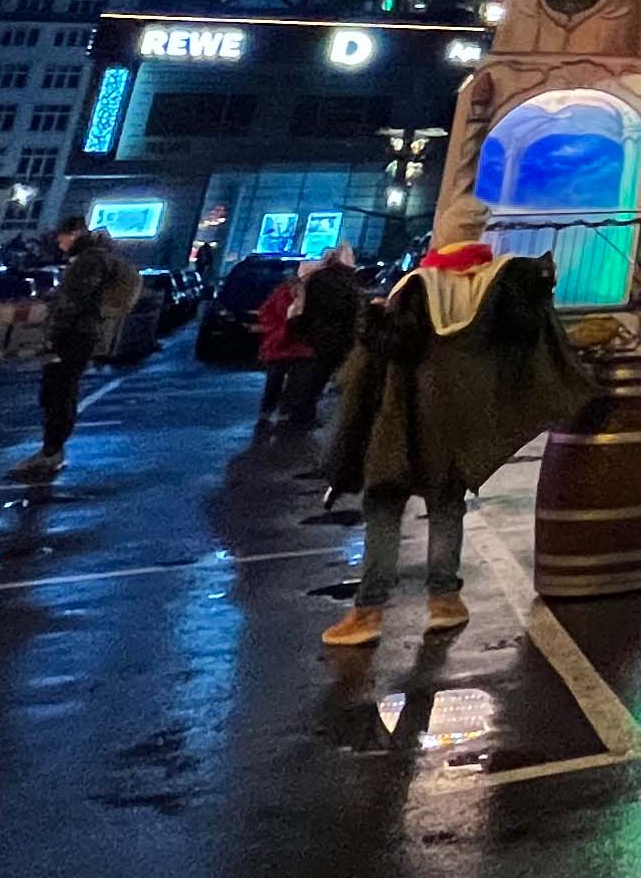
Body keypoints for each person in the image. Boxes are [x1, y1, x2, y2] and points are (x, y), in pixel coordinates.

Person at [320, 197, 591, 647]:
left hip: (403, 417)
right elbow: (523, 332)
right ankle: (445, 601)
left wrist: (369, 317)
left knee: (385, 506)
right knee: (447, 505)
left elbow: (397, 345)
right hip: (458, 419)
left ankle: (367, 612)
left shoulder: (419, 285)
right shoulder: (493, 283)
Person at [10, 214, 139, 484]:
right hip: (81, 334)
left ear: (76, 233)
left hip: (74, 336)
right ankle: (52, 449)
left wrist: (53, 338)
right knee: (61, 391)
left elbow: (75, 302)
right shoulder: (94, 258)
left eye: (62, 235)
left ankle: (51, 451)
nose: (59, 241)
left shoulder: (89, 261)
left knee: (57, 391)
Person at [286, 250, 366, 435]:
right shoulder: (341, 281)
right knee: (319, 375)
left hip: (320, 332)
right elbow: (345, 307)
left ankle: (302, 412)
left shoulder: (321, 278)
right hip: (331, 334)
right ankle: (303, 413)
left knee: (316, 375)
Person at [252, 273, 318, 436]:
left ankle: (283, 413)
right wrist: (278, 329)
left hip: (299, 347)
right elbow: (267, 312)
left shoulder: (312, 298)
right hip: (281, 344)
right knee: (275, 380)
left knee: (294, 383)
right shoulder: (281, 294)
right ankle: (268, 412)